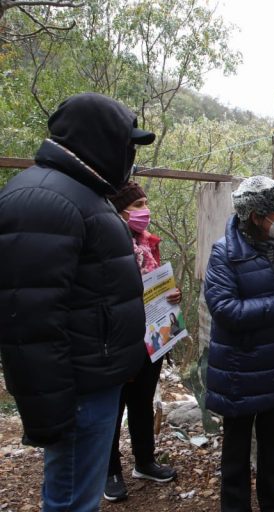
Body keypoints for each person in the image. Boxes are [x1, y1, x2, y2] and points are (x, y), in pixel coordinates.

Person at [0, 93, 154, 511]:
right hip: (77, 392)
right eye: (128, 145)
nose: (131, 156)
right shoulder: (46, 200)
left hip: (93, 381)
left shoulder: (80, 193)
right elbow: (28, 320)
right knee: (71, 502)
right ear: (100, 140)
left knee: (79, 497)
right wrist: (51, 412)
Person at [204, 175, 274, 512]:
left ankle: (273, 505)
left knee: (271, 454)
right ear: (255, 217)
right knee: (236, 457)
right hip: (239, 371)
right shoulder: (224, 253)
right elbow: (225, 310)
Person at [103, 180, 181, 502]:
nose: (145, 211)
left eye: (146, 203)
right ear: (119, 210)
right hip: (118, 339)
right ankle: (110, 471)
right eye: (138, 205)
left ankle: (145, 461)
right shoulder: (105, 245)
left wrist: (172, 296)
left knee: (142, 400)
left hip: (151, 338)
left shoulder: (149, 244)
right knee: (113, 406)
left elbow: (156, 285)